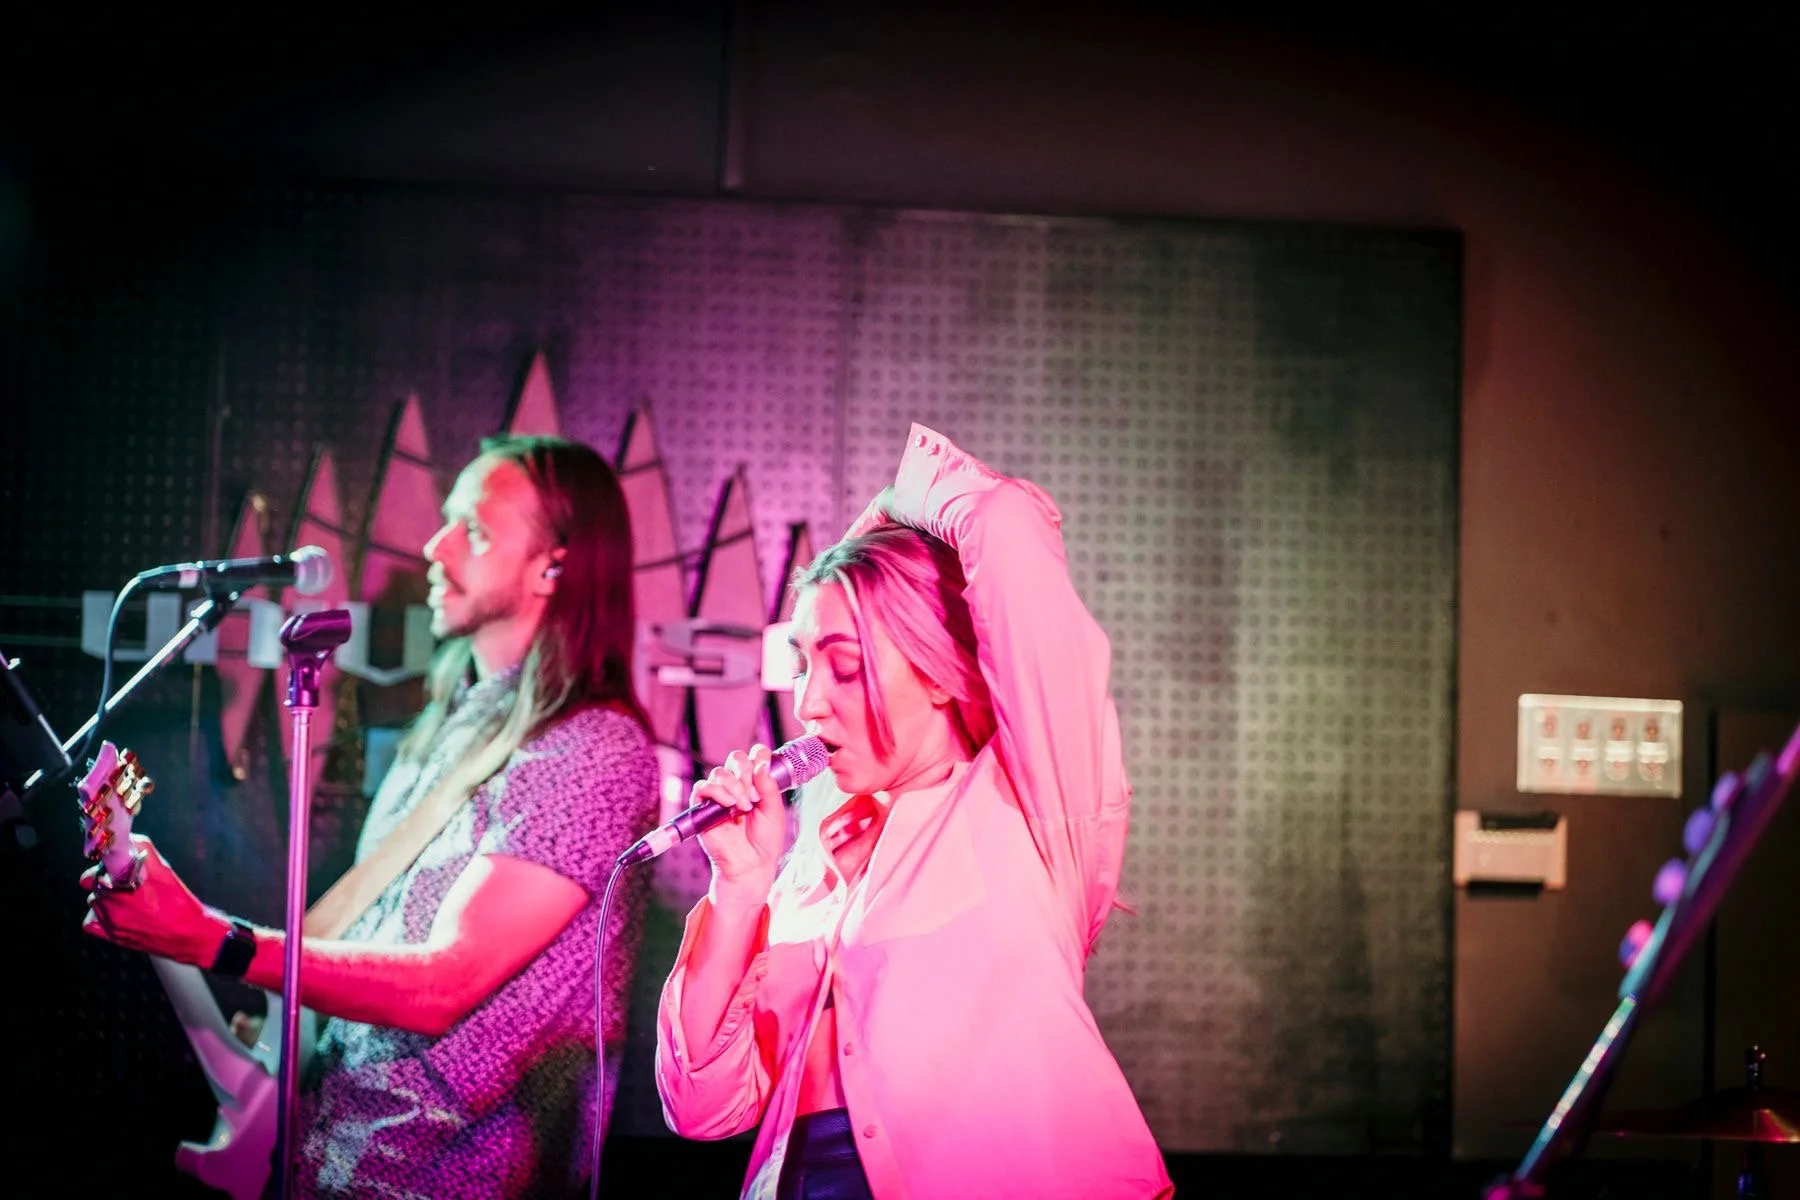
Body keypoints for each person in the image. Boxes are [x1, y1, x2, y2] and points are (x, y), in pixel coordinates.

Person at [83, 434, 661, 1198]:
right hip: (334, 1163)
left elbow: (442, 984)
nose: (435, 544)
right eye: (447, 520)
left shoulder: (593, 750)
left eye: (476, 530)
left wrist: (213, 940)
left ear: (554, 564)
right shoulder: (447, 729)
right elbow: (374, 941)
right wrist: (292, 1036)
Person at [654, 423, 1173, 1199]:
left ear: (935, 670)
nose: (806, 700)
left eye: (846, 664)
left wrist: (880, 520)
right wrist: (738, 891)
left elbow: (1003, 527)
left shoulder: (1026, 805)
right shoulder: (810, 869)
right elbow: (701, 1110)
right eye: (800, 662)